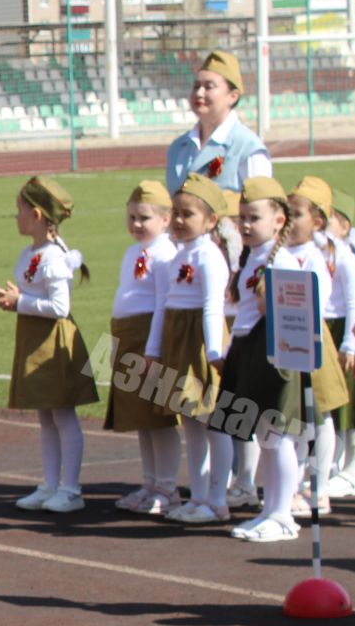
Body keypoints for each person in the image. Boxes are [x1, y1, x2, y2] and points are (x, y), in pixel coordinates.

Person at [221, 177, 349, 542]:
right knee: (264, 437)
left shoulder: (285, 260)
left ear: (279, 221)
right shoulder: (253, 257)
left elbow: (300, 310)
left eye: (254, 217)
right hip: (248, 347)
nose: (245, 225)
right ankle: (270, 508)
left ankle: (282, 514)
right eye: (242, 217)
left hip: (273, 352)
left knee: (276, 437)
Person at [0, 177, 98, 514]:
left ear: (37, 214)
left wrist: (20, 301)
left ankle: (71, 488)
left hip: (53, 342)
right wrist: (16, 301)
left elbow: (60, 307)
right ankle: (50, 484)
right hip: (35, 338)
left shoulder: (53, 256)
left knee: (63, 416)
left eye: (20, 209)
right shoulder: (32, 253)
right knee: (46, 416)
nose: (17, 216)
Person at [145, 174, 234, 525]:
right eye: (176, 213)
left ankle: (218, 500)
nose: (179, 220)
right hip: (178, 341)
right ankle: (197, 496)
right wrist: (153, 349)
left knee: (215, 424)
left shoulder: (209, 257)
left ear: (211, 221)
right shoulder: (175, 257)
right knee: (192, 423)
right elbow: (162, 306)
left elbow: (213, 308)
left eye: (188, 214)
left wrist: (214, 353)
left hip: (201, 342)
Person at [108, 181, 183, 515]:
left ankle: (167, 487)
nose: (137, 224)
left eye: (145, 218)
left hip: (150, 339)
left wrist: (153, 349)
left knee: (159, 419)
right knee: (141, 418)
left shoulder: (166, 254)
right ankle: (149, 482)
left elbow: (163, 304)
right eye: (132, 216)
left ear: (166, 220)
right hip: (128, 337)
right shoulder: (132, 252)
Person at [165, 48, 270, 262]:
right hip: (182, 256)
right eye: (196, 87)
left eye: (209, 87)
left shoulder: (248, 147)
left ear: (233, 96)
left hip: (230, 258)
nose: (199, 93)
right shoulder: (179, 147)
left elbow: (262, 208)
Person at [291, 175, 354, 512]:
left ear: (317, 220)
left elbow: (320, 296)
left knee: (320, 414)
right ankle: (295, 483)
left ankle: (320, 485)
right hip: (288, 341)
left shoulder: (321, 254)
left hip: (313, 340)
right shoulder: (282, 250)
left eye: (296, 213)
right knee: (294, 416)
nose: (289, 219)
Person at [324, 189, 355, 496]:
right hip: (326, 329)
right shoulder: (320, 256)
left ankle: (353, 470)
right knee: (330, 403)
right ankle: (333, 466)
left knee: (351, 405)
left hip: (346, 331)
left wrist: (350, 345)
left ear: (343, 226)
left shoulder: (347, 260)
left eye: (326, 220)